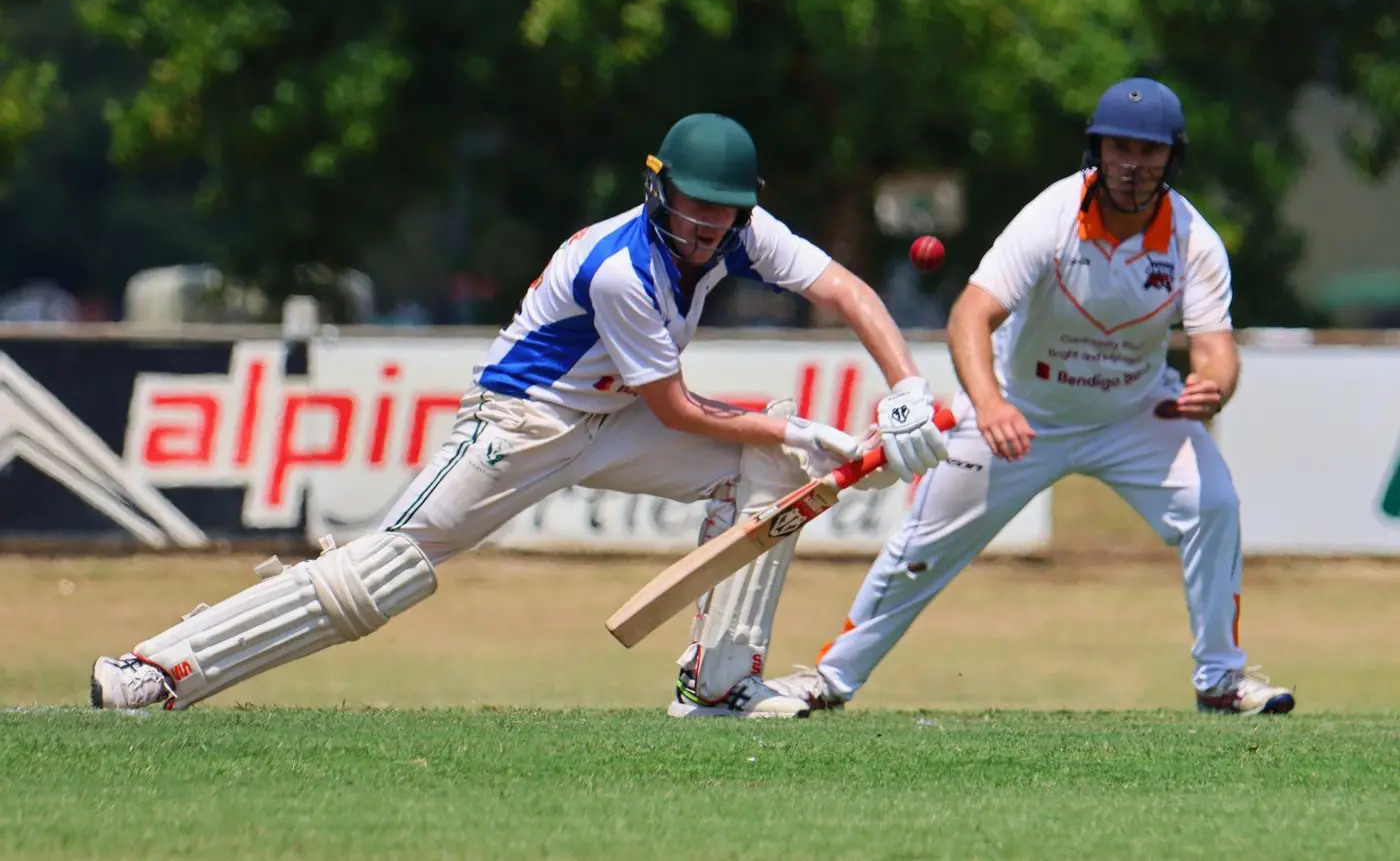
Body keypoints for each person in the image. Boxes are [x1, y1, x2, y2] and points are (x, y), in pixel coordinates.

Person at [89, 112, 950, 718]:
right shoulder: (620, 268)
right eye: (694, 205)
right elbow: (679, 408)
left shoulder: (739, 229)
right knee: (382, 573)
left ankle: (719, 687)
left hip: (609, 419)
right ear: (659, 188)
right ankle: (156, 669)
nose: (709, 225)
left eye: (724, 208)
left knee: (768, 473)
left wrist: (904, 384)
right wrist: (800, 427)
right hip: (521, 422)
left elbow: (841, 286)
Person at [767, 78, 1297, 716]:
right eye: (1119, 146)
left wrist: (1214, 389)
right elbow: (971, 316)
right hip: (1020, 411)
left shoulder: (1194, 240)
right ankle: (827, 681)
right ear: (1096, 150)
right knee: (920, 551)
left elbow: (1215, 348)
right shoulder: (1052, 216)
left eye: (1150, 151)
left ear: (1172, 158)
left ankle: (1221, 681)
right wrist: (989, 405)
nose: (1133, 164)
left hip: (1134, 414)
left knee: (1214, 504)